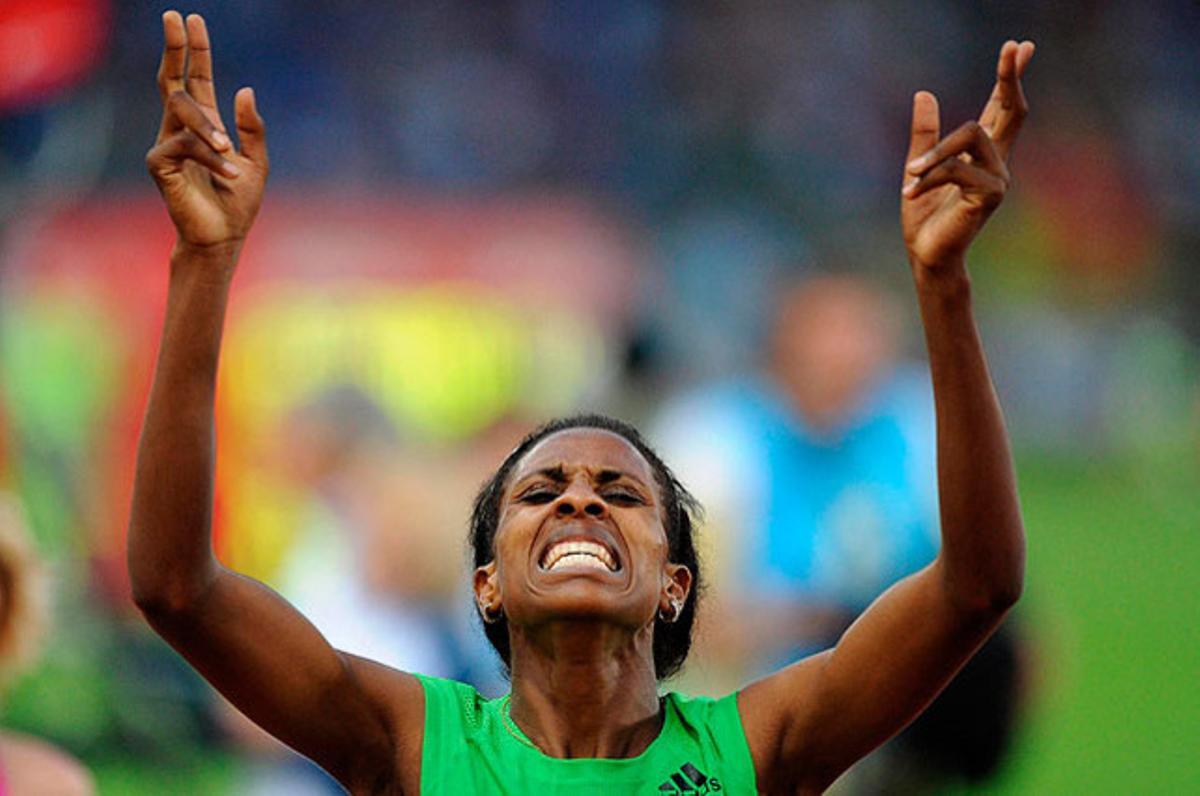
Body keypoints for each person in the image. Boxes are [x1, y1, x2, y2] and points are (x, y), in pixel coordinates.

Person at [129, 10, 1034, 795]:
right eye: (539, 490)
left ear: (675, 585)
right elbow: (177, 589)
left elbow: (977, 588)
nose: (579, 498)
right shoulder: (408, 742)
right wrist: (203, 263)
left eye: (624, 493)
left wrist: (943, 285)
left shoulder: (758, 748)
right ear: (485, 581)